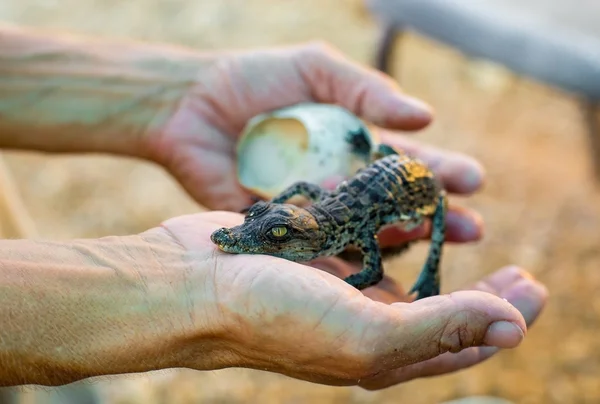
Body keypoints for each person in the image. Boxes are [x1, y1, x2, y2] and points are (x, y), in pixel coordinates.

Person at [0, 24, 548, 392]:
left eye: (278, 239)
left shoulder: (339, 227)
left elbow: (370, 264)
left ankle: (429, 265)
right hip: (361, 188)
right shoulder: (317, 220)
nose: (252, 240)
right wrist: (206, 272)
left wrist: (351, 284)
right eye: (270, 233)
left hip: (408, 187)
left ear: (307, 240)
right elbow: (317, 207)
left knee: (431, 223)